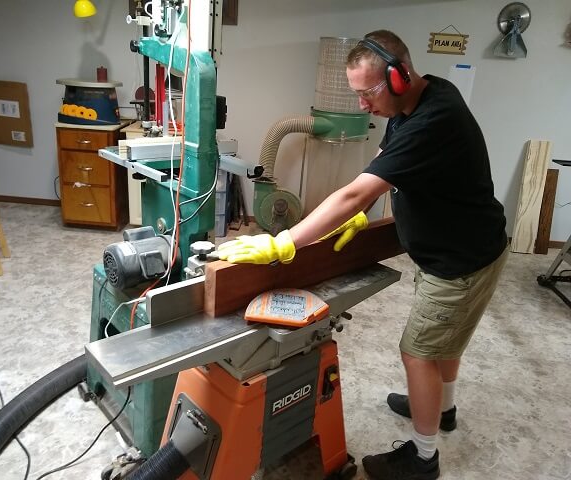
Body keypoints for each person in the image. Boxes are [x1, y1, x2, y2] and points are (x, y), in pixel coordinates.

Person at [217, 29, 508, 480]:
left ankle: (424, 457)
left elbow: (355, 194)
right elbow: (379, 169)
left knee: (419, 353)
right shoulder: (415, 102)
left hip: (461, 262)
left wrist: (285, 241)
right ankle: (441, 409)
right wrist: (361, 210)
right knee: (443, 342)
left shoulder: (436, 118)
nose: (361, 105)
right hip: (456, 250)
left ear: (399, 77)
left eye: (366, 93)